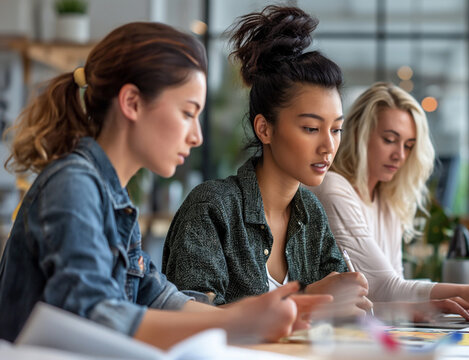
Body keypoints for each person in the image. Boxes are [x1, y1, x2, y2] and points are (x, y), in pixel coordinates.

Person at [0, 22, 330, 348]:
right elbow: (95, 317)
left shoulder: (112, 196)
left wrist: (249, 314)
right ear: (131, 102)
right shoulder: (73, 185)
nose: (197, 136)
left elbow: (159, 296)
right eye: (188, 113)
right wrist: (235, 322)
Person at [162, 6, 371, 315]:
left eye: (336, 129)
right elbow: (189, 319)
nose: (329, 145)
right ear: (265, 128)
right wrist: (305, 299)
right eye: (311, 129)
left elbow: (344, 303)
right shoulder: (212, 207)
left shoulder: (311, 214)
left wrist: (408, 310)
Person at [308, 82, 469, 317]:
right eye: (390, 139)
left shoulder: (388, 199)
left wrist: (449, 300)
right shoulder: (334, 188)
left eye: (408, 145)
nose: (400, 155)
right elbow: (385, 288)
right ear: (359, 135)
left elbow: (387, 291)